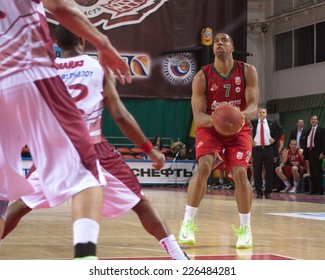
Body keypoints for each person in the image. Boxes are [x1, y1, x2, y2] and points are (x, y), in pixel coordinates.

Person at [1, 25, 189, 260]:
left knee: (20, 206)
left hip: (55, 148)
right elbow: (121, 116)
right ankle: (178, 257)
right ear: (83, 38)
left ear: (57, 43)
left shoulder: (46, 73)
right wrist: (150, 150)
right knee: (140, 204)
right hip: (92, 147)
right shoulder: (98, 68)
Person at [0, 0, 131, 259]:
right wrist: (103, 43)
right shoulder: (93, 67)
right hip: (29, 73)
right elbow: (61, 8)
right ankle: (85, 259)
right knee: (87, 173)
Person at [178, 33, 259, 249]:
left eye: (224, 41)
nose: (219, 43)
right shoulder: (201, 77)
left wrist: (239, 115)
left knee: (241, 173)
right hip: (211, 128)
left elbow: (253, 106)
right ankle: (187, 223)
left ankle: (245, 230)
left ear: (232, 47)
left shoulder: (248, 71)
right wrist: (218, 119)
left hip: (239, 129)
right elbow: (198, 116)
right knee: (203, 167)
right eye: (216, 42)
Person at [251, 107, 284, 199]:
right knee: (257, 172)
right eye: (260, 112)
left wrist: (274, 139)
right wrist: (250, 140)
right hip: (257, 149)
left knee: (269, 172)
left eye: (263, 112)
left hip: (268, 149)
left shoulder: (272, 122)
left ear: (266, 114)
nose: (261, 113)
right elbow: (246, 132)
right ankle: (259, 192)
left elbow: (281, 130)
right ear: (257, 114)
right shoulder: (253, 123)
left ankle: (268, 192)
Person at [302, 115, 325, 195]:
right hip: (310, 152)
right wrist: (304, 153)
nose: (313, 120)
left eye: (315, 119)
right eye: (312, 119)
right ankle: (313, 190)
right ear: (310, 121)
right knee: (312, 172)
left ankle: (320, 190)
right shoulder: (308, 131)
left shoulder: (321, 130)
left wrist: (323, 152)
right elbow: (306, 143)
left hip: (318, 153)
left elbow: (324, 142)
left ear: (317, 121)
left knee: (318, 172)